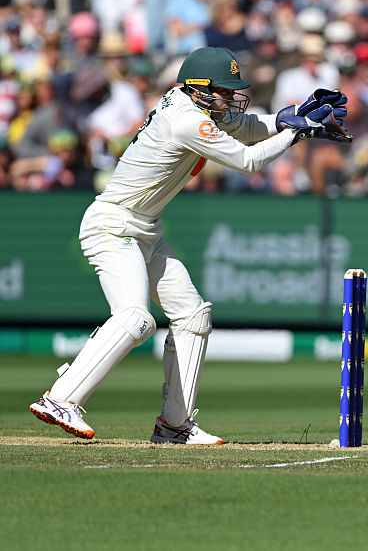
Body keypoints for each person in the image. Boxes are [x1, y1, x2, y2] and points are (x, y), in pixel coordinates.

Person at [28, 47, 351, 443]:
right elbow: (248, 161)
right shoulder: (184, 120)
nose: (231, 99)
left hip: (144, 228)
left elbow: (245, 127)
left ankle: (174, 425)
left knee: (193, 316)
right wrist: (297, 132)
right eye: (225, 92)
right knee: (135, 318)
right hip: (113, 226)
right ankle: (60, 399)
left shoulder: (193, 107)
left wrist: (290, 116)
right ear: (199, 89)